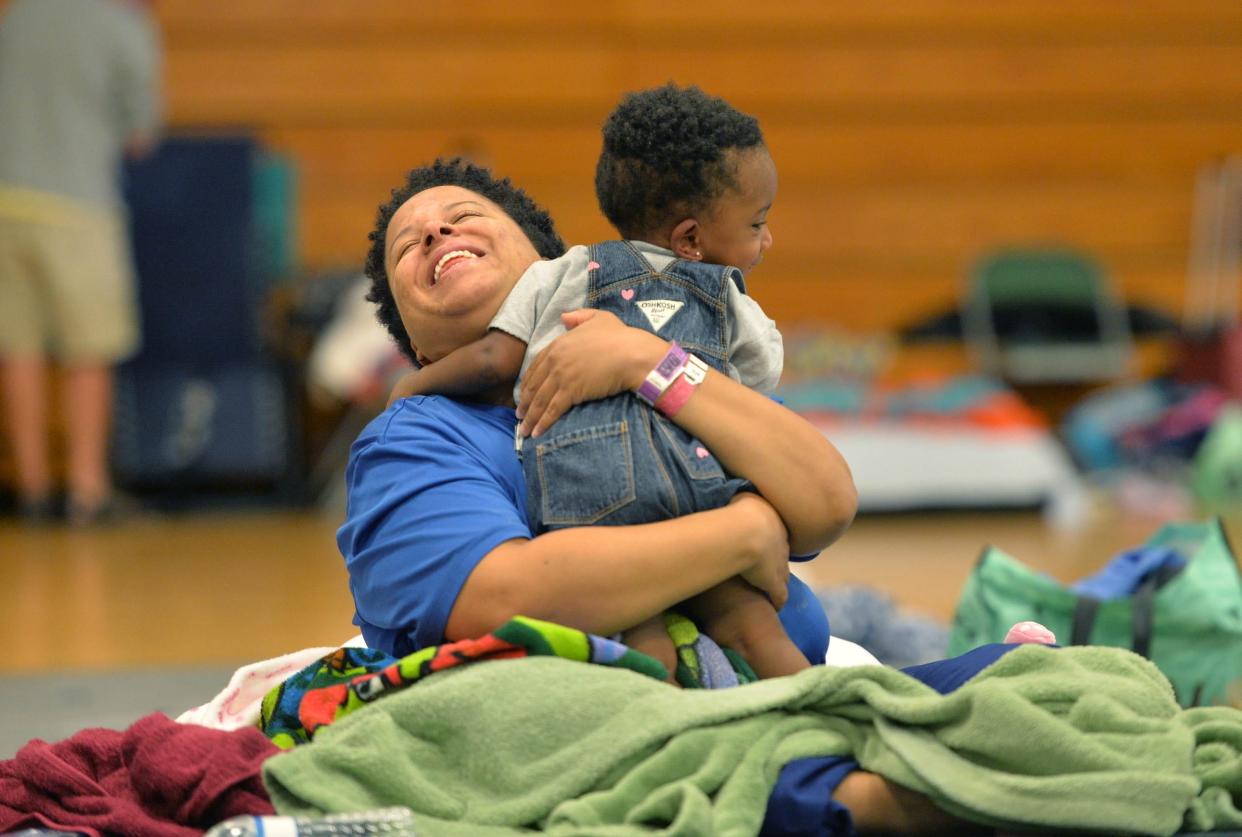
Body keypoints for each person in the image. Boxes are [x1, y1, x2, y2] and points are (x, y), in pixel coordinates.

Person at [343, 157, 993, 834]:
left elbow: (825, 499)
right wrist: (743, 533)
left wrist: (642, 361)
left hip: (800, 701)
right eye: (407, 245)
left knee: (1051, 691)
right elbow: (502, 597)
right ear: (417, 348)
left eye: (464, 215)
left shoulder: (651, 360)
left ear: (551, 266)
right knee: (933, 798)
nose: (436, 231)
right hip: (637, 751)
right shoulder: (411, 438)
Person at [386, 84, 807, 680]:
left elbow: (494, 360)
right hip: (699, 486)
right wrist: (745, 520)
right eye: (759, 224)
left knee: (636, 640)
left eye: (464, 218)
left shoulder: (565, 276)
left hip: (592, 492)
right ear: (689, 236)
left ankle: (661, 721)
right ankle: (822, 716)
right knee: (754, 628)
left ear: (535, 255)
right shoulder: (733, 306)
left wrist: (408, 384)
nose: (436, 235)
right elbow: (750, 398)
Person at [0, 0, 162, 525]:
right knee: (89, 350)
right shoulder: (123, 26)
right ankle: (87, 492)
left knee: (17, 350)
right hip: (79, 207)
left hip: (5, 203)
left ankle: (32, 491)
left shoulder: (16, 17)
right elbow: (140, 136)